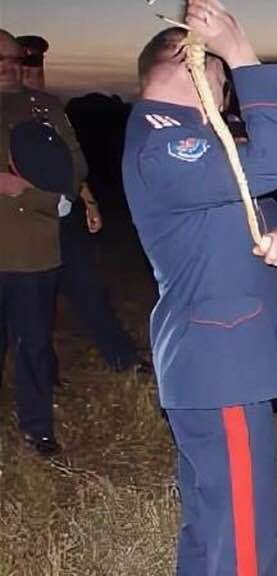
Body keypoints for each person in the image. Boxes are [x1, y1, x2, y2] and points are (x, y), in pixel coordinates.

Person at [121, 3, 277, 576]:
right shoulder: (166, 143)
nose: (228, 93)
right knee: (245, 544)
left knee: (211, 525)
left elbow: (257, 197)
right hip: (220, 364)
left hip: (211, 364)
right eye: (222, 79)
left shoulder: (190, 143)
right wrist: (242, 49)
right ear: (189, 65)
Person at [16, 34, 147, 377]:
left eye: (37, 68)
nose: (33, 76)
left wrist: (88, 200)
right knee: (32, 304)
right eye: (26, 68)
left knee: (89, 291)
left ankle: (123, 360)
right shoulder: (7, 113)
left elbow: (70, 164)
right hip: (25, 224)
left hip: (63, 218)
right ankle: (42, 374)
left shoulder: (52, 110)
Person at [0, 28, 87, 456]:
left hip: (32, 249)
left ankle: (38, 428)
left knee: (33, 344)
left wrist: (34, 194)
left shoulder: (45, 107)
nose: (7, 67)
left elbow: (74, 169)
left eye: (13, 59)